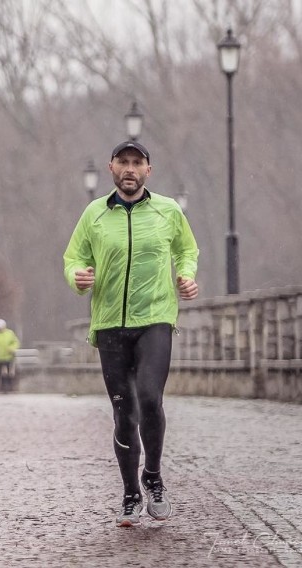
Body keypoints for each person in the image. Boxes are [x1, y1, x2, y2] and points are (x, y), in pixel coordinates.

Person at [62, 140, 199, 528]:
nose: (130, 169)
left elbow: (187, 250)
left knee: (150, 398)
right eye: (123, 162)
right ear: (111, 167)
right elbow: (73, 258)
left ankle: (152, 476)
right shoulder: (94, 214)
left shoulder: (167, 211)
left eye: (137, 162)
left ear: (148, 171)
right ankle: (130, 493)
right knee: (124, 412)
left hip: (155, 318)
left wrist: (186, 276)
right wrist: (77, 277)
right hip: (109, 325)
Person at [0, 319, 20, 393]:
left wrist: (12, 348)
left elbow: (15, 342)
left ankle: (10, 386)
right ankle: (2, 386)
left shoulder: (10, 333)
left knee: (10, 373)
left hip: (9, 357)